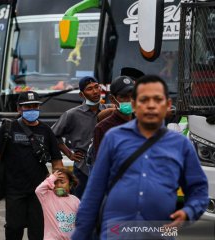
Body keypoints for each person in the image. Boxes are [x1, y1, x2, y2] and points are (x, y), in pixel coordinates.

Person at [72, 75, 209, 240]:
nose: (151, 105)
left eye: (157, 99)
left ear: (168, 105)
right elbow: (94, 192)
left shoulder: (181, 145)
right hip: (117, 230)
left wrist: (188, 212)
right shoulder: (113, 138)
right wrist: (79, 234)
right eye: (144, 99)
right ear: (135, 104)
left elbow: (199, 191)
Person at [0, 91, 63, 240]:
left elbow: (56, 160)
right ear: (19, 109)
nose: (32, 109)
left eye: (35, 106)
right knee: (14, 228)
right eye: (27, 107)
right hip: (14, 189)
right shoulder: (9, 127)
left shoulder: (46, 130)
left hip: (40, 191)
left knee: (37, 230)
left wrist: (60, 184)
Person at [52, 76, 109, 199]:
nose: (95, 91)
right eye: (89, 89)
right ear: (81, 95)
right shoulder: (72, 114)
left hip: (106, 167)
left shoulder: (109, 112)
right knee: (80, 207)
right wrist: (69, 153)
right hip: (83, 170)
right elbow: (52, 135)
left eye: (96, 87)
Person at [89, 76, 135, 169]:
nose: (129, 101)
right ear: (113, 99)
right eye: (124, 97)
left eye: (133, 96)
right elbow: (101, 166)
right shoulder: (103, 128)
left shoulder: (144, 123)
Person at [35, 168, 80, 240]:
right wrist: (52, 177)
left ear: (70, 184)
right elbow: (38, 190)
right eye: (55, 182)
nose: (58, 185)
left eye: (62, 182)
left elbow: (80, 220)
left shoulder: (75, 200)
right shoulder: (47, 196)